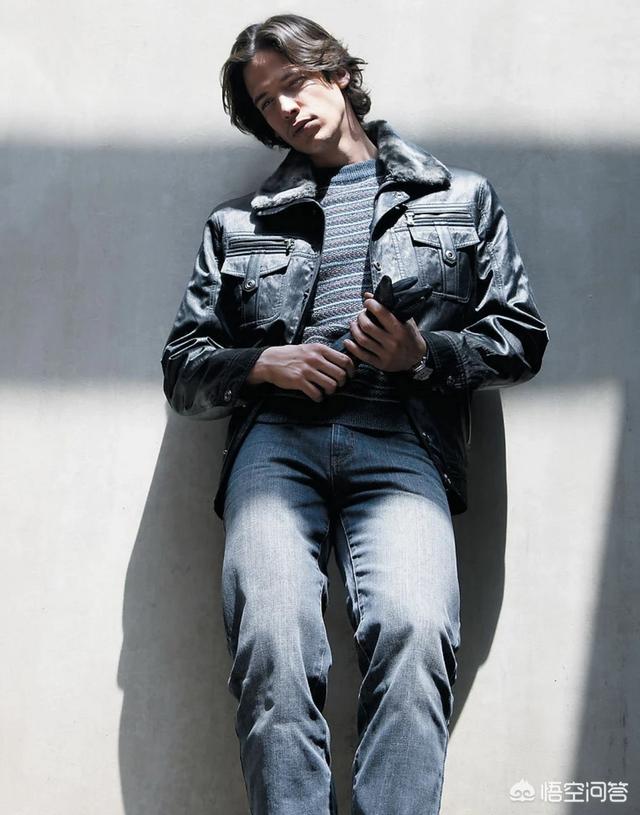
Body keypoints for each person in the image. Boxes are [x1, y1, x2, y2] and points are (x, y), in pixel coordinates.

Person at [161, 13, 549, 815]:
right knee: (271, 643)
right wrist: (263, 363)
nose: (286, 108)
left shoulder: (461, 198)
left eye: (295, 82)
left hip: (403, 442)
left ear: (338, 72)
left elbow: (520, 338)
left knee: (416, 632)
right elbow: (183, 368)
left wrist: (422, 354)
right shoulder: (237, 225)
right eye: (266, 102)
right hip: (276, 445)